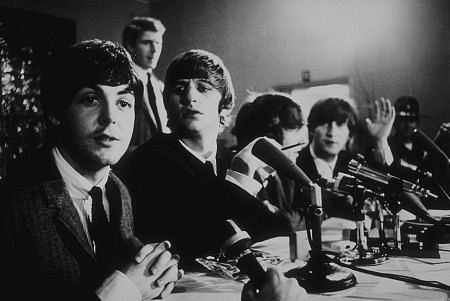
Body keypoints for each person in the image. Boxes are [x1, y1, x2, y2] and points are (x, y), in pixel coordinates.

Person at [0, 39, 182, 301]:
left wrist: (153, 273)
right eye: (91, 99)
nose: (110, 117)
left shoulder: (118, 190)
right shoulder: (14, 205)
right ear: (55, 111)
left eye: (123, 103)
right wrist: (125, 289)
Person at [123, 49, 293, 266]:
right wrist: (241, 179)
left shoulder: (227, 158)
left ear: (224, 103)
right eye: (179, 89)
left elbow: (279, 227)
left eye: (203, 88)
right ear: (168, 103)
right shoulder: (151, 159)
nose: (189, 97)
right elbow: (202, 238)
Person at [296, 97, 395, 220]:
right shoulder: (295, 163)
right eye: (325, 124)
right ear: (312, 129)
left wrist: (380, 140)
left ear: (349, 135)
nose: (332, 132)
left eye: (340, 124)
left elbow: (388, 184)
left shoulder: (354, 163)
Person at [231, 92, 309, 230]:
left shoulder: (284, 175)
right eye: (293, 128)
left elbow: (319, 205)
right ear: (269, 137)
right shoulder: (236, 175)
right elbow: (281, 224)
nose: (302, 141)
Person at [122, 16, 170, 151]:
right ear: (131, 46)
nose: (154, 50)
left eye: (158, 43)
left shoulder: (161, 87)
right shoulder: (123, 84)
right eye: (147, 42)